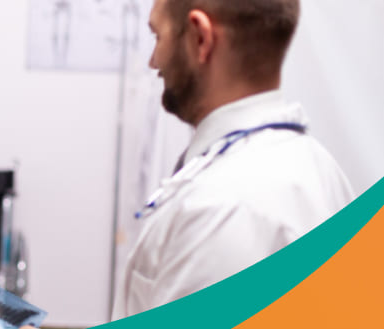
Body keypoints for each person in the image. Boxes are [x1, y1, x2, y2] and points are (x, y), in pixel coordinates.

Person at [109, 0, 355, 319]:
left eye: (159, 37)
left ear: (200, 38)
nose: (154, 62)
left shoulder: (225, 206)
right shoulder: (319, 166)